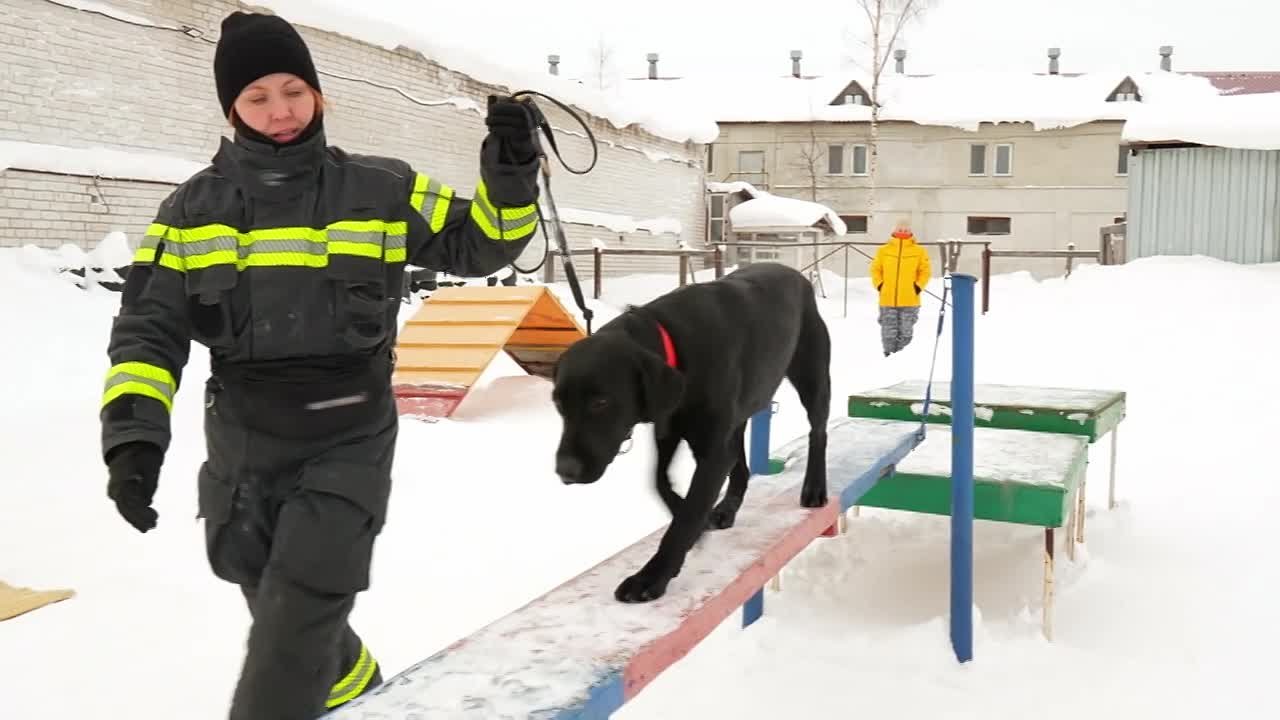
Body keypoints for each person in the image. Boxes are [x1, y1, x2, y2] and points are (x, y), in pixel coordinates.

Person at [98, 11, 541, 719]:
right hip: (242, 439)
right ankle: (353, 685)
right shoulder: (191, 210)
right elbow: (148, 332)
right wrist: (133, 441)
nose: (279, 111)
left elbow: (486, 244)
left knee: (298, 608)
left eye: (293, 90)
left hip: (348, 432)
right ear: (231, 108)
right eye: (257, 97)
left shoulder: (382, 187)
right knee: (258, 580)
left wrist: (511, 169)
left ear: (319, 94)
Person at [869, 219, 932, 356]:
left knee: (906, 331)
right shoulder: (883, 250)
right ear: (895, 231)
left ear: (910, 232)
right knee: (888, 331)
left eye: (906, 230)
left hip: (910, 300)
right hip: (887, 299)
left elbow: (925, 272)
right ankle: (889, 356)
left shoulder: (919, 251)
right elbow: (875, 270)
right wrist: (880, 285)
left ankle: (903, 358)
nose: (903, 232)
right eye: (900, 229)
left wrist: (918, 286)